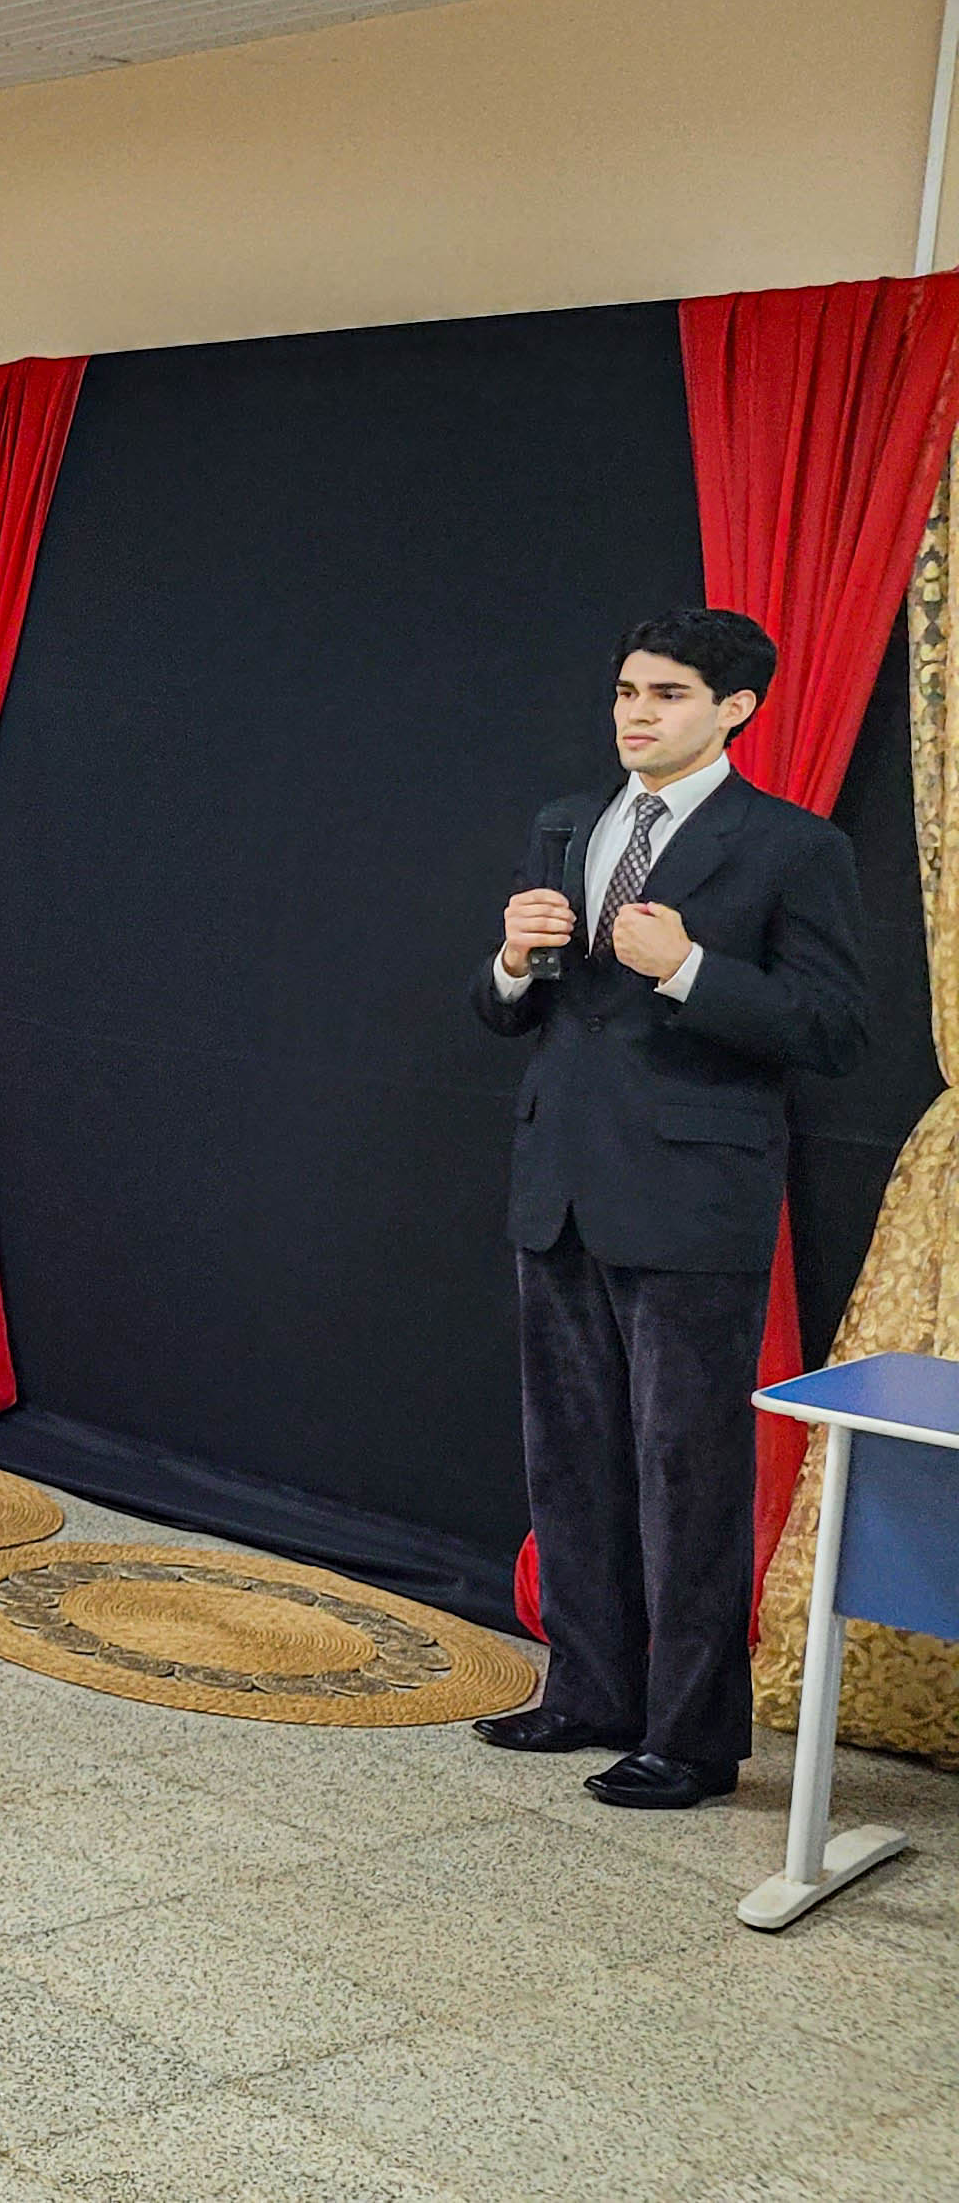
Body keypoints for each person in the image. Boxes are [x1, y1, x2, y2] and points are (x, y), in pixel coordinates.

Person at [471, 607, 867, 1811]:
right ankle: (587, 1692)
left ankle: (690, 1739)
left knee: (687, 1476)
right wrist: (508, 962)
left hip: (694, 1202)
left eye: (668, 694)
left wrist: (690, 970)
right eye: (627, 691)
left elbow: (834, 1030)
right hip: (558, 1187)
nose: (636, 714)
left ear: (735, 709)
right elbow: (517, 1012)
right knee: (569, 1462)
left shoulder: (792, 848)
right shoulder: (567, 823)